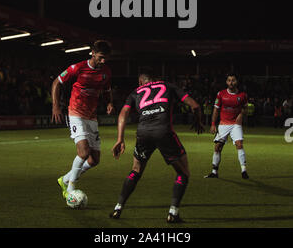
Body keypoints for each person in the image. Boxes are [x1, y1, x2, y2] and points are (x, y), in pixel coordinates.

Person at [109, 67, 204, 224]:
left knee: (136, 170)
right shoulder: (169, 86)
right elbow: (195, 106)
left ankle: (118, 208)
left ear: (141, 81)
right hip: (163, 132)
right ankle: (173, 213)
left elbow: (123, 114)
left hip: (143, 133)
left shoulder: (135, 92)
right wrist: (198, 121)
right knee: (183, 173)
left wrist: (120, 138)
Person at [51, 40, 114, 199]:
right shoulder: (77, 68)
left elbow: (107, 90)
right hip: (75, 114)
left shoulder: (106, 71)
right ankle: (70, 190)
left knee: (94, 160)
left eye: (106, 58)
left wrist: (109, 103)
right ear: (92, 53)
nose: (103, 61)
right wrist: (55, 106)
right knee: (84, 152)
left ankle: (64, 179)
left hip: (91, 117)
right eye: (100, 57)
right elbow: (56, 83)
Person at [204, 72, 249, 179]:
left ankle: (244, 170)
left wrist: (241, 115)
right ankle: (214, 172)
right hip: (223, 124)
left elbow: (246, 108)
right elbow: (216, 109)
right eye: (229, 80)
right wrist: (213, 124)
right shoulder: (221, 94)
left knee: (239, 144)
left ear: (237, 81)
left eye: (233, 80)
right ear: (226, 82)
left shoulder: (242, 95)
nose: (231, 82)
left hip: (235, 124)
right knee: (218, 147)